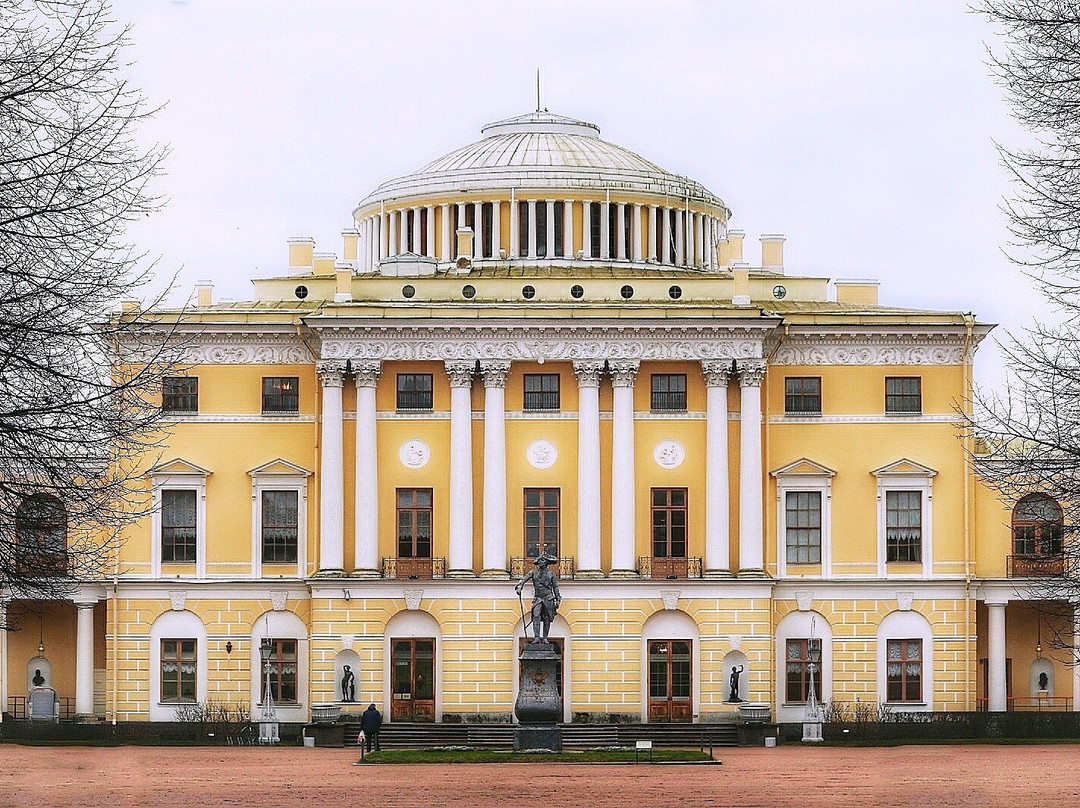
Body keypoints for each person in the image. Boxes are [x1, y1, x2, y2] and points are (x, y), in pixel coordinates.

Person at [515, 554, 561, 642]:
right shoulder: (533, 572)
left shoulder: (551, 574)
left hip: (548, 598)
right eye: (539, 560)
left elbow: (555, 586)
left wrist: (558, 598)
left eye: (542, 560)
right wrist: (519, 586)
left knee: (547, 618)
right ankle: (536, 637)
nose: (540, 562)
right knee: (536, 615)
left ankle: (545, 638)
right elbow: (524, 579)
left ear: (546, 563)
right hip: (538, 598)